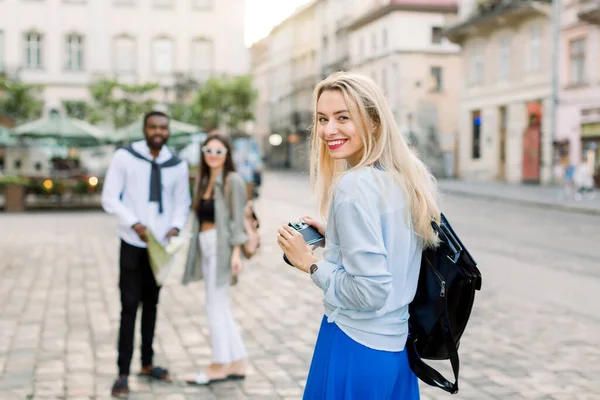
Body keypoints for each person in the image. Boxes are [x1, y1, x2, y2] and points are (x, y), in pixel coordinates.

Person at [277, 72, 441, 399]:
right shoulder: (405, 176)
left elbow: (370, 292)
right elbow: (394, 244)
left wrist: (308, 262)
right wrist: (336, 237)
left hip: (355, 345)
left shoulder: (353, 187)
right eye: (322, 119)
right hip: (395, 350)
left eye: (342, 118)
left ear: (375, 121)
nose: (328, 130)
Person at [101, 111, 191, 398]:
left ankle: (147, 363)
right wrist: (134, 223)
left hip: (160, 247)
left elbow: (182, 202)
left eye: (163, 127)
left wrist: (175, 228)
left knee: (152, 304)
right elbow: (109, 197)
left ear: (168, 131)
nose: (158, 131)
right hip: (132, 241)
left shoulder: (176, 164)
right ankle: (122, 373)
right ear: (144, 128)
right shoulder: (124, 157)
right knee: (129, 307)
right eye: (153, 127)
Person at [182, 133, 249, 386]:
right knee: (218, 305)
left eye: (219, 151)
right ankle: (238, 360)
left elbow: (237, 221)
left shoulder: (233, 181)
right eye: (208, 150)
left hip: (222, 248)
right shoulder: (204, 180)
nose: (213, 155)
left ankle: (219, 364)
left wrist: (235, 253)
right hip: (206, 245)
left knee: (214, 305)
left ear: (227, 155)